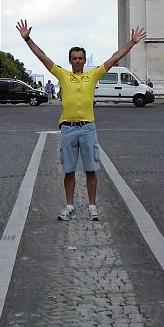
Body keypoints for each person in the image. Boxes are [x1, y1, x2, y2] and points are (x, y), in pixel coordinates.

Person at [16, 19, 146, 222]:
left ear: (85, 61)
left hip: (87, 129)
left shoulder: (93, 75)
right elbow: (42, 57)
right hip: (68, 129)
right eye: (74, 58)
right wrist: (27, 39)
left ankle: (92, 206)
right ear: (70, 61)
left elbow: (114, 58)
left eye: (80, 58)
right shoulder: (62, 75)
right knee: (68, 171)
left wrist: (132, 43)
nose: (77, 61)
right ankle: (70, 206)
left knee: (90, 170)